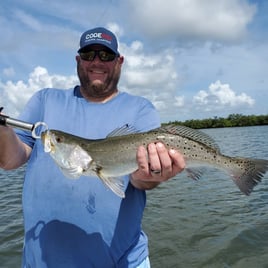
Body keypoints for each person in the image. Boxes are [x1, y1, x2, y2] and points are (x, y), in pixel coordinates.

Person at [0, 27, 185, 268]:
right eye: (88, 54)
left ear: (119, 61)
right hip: (41, 261)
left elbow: (141, 181)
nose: (96, 61)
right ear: (78, 60)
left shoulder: (141, 109)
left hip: (124, 261)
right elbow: (10, 160)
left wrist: (152, 174)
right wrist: (2, 127)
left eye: (106, 55)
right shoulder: (45, 99)